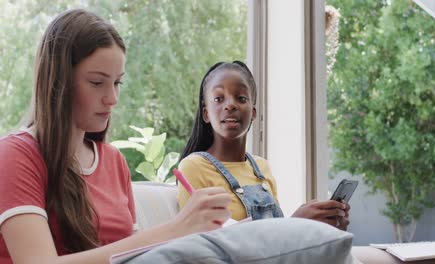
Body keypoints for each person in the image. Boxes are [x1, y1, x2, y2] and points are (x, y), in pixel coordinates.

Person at [0, 9, 233, 264]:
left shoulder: (113, 160)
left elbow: (134, 256)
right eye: (97, 83)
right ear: (59, 83)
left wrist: (192, 235)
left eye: (117, 83)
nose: (112, 99)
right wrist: (175, 228)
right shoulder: (15, 156)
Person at [177, 61, 350, 229]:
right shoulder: (194, 167)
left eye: (241, 98)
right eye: (218, 98)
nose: (230, 105)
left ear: (253, 112)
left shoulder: (261, 167)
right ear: (206, 113)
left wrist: (326, 226)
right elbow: (201, 245)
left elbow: (276, 243)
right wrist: (295, 223)